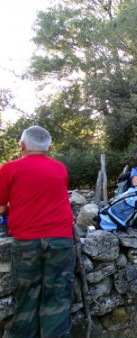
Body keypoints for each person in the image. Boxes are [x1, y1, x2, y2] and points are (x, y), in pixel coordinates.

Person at [0, 126, 75, 337]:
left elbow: (1, 207)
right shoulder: (60, 168)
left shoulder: (9, 168)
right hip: (60, 240)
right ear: (49, 148)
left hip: (26, 242)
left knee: (26, 298)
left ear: (22, 146)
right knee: (58, 298)